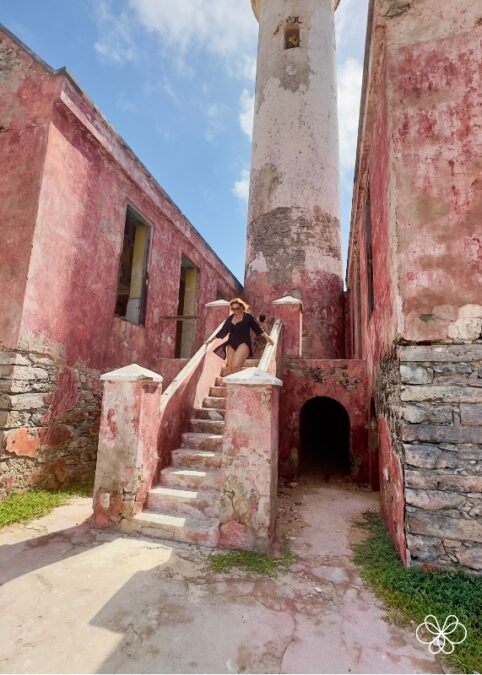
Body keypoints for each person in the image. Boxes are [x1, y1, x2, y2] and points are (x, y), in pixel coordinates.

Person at [205, 298, 274, 376]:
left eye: (237, 308)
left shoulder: (248, 317)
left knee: (235, 367)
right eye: (233, 308)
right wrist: (210, 340)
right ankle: (234, 386)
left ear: (242, 307)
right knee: (230, 369)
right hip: (231, 344)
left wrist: (268, 338)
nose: (235, 310)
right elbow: (222, 331)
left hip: (243, 343)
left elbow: (257, 328)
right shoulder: (230, 318)